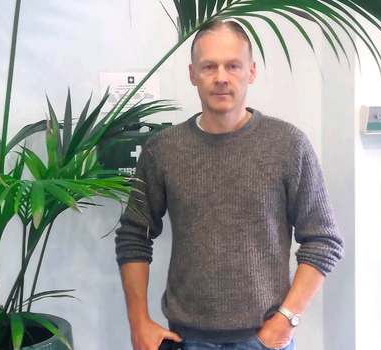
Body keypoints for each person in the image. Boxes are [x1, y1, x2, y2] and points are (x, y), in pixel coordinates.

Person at [115, 19, 344, 350]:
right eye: (209, 66)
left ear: (251, 72)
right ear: (192, 73)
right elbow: (133, 235)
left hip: (265, 338)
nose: (221, 77)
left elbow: (324, 240)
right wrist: (138, 322)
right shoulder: (162, 150)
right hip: (185, 338)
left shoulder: (288, 145)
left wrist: (287, 319)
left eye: (232, 65)